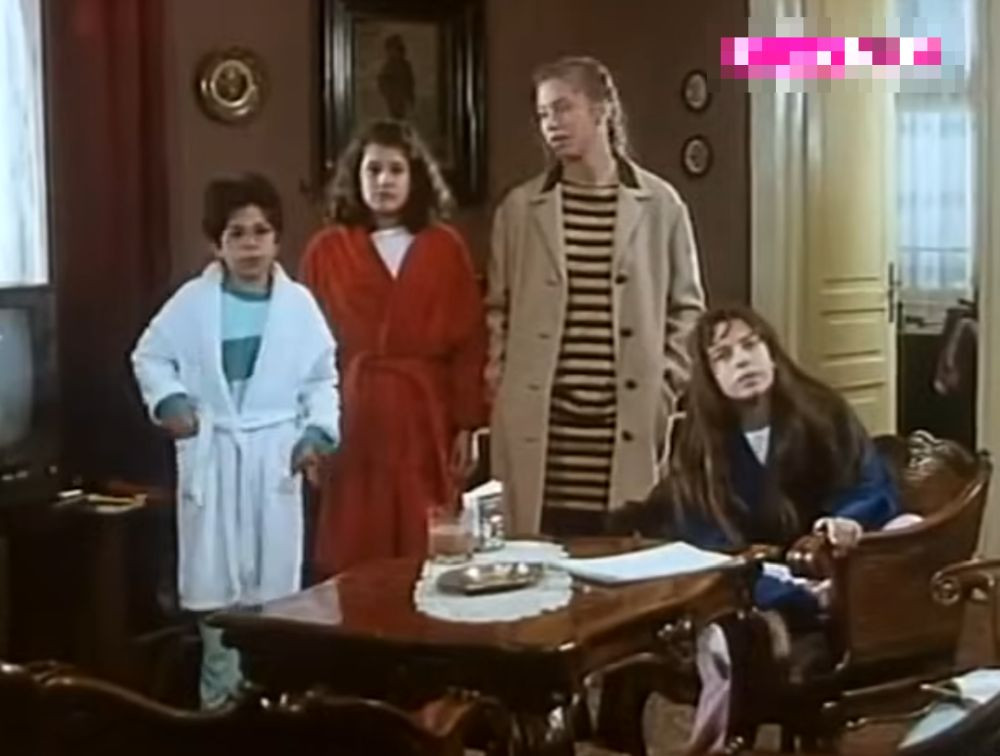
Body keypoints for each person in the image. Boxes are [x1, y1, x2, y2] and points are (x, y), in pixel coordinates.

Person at [636, 305, 902, 753]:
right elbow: (707, 542)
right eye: (723, 355)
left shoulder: (822, 410)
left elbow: (872, 484)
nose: (742, 360)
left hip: (833, 566)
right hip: (752, 577)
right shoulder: (698, 443)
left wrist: (847, 520)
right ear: (708, 376)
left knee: (900, 532)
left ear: (772, 352)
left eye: (750, 344)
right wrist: (776, 589)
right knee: (725, 629)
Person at [131, 173, 339, 709]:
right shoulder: (192, 303)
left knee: (275, 598)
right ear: (216, 244)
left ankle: (273, 708)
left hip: (272, 456)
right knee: (217, 596)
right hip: (216, 454)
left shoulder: (298, 307)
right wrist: (172, 401)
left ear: (278, 239)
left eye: (261, 232)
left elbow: (321, 377)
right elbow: (150, 356)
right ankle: (219, 710)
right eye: (236, 234)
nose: (250, 246)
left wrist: (316, 432)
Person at [485, 55, 707, 538]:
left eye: (563, 108)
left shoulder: (660, 205)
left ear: (602, 109)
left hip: (625, 420)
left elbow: (688, 309)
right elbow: (496, 310)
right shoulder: (521, 209)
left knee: (619, 552)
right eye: (543, 114)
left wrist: (665, 383)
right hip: (544, 426)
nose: (552, 124)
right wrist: (500, 380)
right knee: (540, 556)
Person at [300, 119, 487, 576]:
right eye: (373, 170)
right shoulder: (326, 251)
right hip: (351, 417)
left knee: (426, 544)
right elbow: (302, 349)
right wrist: (308, 428)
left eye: (396, 170)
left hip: (425, 416)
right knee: (355, 545)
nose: (384, 181)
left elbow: (470, 342)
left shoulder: (445, 247)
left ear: (414, 177)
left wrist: (468, 425)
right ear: (356, 176)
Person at [377, 34, 415, 120]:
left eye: (400, 49)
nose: (399, 52)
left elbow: (410, 82)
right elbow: (382, 82)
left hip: (405, 99)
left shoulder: (406, 65)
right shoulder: (389, 66)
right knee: (396, 119)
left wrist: (410, 99)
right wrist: (390, 94)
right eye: (395, 49)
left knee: (405, 119)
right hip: (395, 100)